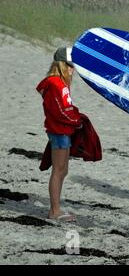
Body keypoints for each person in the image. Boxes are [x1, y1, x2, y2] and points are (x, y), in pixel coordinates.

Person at [36, 47, 82, 222]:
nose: (73, 69)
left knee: (63, 170)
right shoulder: (55, 83)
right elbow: (58, 111)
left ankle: (56, 207)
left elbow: (67, 108)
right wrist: (75, 121)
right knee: (58, 171)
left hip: (64, 130)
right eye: (70, 66)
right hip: (59, 131)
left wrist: (76, 117)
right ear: (61, 64)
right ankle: (54, 211)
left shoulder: (62, 83)